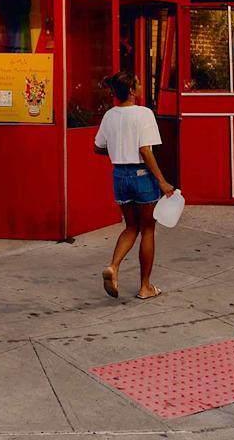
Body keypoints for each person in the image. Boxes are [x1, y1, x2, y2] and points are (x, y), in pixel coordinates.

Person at [94, 71, 175, 301]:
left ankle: (113, 266)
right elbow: (145, 150)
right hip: (141, 176)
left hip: (119, 175)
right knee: (147, 229)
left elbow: (98, 147)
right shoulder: (144, 114)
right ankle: (145, 287)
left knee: (131, 227)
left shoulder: (110, 116)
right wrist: (161, 180)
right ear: (131, 90)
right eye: (138, 84)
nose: (140, 86)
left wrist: (118, 149)